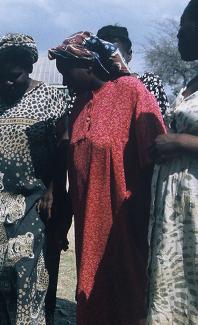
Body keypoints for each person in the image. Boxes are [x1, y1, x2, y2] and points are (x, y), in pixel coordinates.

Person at [49, 31, 166, 324]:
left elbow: (155, 157)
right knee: (92, 289)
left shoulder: (132, 92)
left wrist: (145, 215)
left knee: (129, 291)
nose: (64, 82)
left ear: (89, 65)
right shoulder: (78, 105)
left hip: (126, 218)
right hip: (89, 222)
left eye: (67, 73)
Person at [0, 33, 68, 324]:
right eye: (1, 74)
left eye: (15, 75)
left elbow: (63, 150)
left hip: (35, 200)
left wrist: (54, 191)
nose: (7, 81)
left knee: (29, 270)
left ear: (29, 67)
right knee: (2, 271)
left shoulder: (51, 98)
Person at [147, 1, 198, 323]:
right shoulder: (190, 84)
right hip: (174, 204)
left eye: (184, 26)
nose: (178, 34)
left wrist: (181, 141)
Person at [97, 25, 170, 118]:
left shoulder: (148, 82)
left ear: (129, 55)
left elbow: (161, 122)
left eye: (116, 56)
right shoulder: (90, 91)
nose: (110, 61)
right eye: (103, 56)